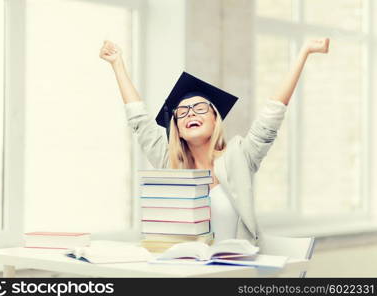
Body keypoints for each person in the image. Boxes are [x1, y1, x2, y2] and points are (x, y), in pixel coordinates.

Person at [99, 38, 330, 245]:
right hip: (185, 271)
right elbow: (140, 122)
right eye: (183, 111)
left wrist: (304, 53)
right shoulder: (169, 162)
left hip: (233, 272)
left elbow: (271, 117)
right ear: (177, 128)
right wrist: (117, 64)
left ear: (215, 118)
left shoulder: (239, 156)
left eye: (200, 108)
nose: (191, 113)